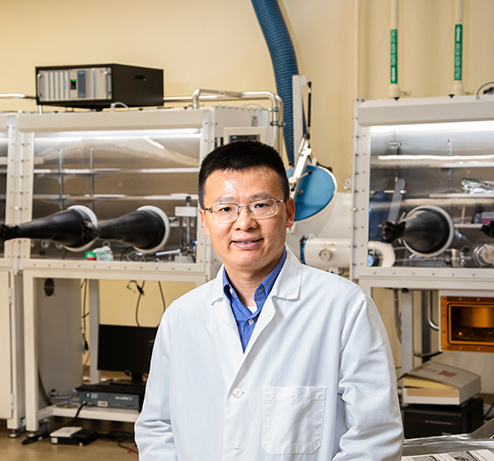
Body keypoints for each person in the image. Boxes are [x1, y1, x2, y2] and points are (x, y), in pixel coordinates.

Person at [135, 141, 403, 460]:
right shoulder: (181, 316)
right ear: (205, 221)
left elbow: (374, 437)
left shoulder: (345, 307)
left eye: (261, 205)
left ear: (288, 212)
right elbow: (157, 427)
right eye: (225, 208)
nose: (244, 223)